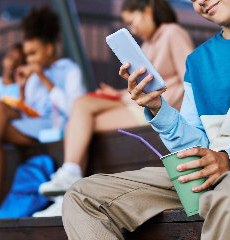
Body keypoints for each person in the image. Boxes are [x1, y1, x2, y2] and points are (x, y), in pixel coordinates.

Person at [62, 0, 230, 239]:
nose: (200, 0)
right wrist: (158, 109)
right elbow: (195, 145)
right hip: (213, 170)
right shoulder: (197, 61)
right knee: (82, 196)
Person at [35, 0, 194, 217]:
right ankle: (67, 186)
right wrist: (118, 92)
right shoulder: (148, 44)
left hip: (158, 107)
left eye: (132, 22)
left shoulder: (172, 32)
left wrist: (164, 104)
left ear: (147, 11)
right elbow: (146, 82)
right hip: (139, 101)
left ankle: (69, 177)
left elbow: (190, 77)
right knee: (84, 116)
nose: (132, 29)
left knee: (83, 111)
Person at [0, 6, 86, 220]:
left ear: (50, 49)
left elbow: (74, 109)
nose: (30, 59)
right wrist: (23, 88)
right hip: (35, 126)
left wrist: (45, 80)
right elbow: (29, 111)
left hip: (59, 128)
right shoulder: (33, 77)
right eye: (27, 55)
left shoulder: (69, 69)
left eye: (33, 53)